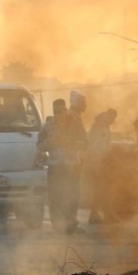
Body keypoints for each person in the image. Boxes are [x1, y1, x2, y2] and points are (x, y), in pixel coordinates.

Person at [41, 92, 88, 234]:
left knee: (73, 195)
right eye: (55, 111)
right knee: (55, 197)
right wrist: (49, 143)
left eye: (60, 111)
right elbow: (39, 145)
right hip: (55, 166)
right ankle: (57, 225)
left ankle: (72, 224)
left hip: (71, 165)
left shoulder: (75, 124)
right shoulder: (48, 126)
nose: (58, 114)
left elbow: (85, 143)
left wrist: (71, 143)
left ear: (65, 110)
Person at [82, 108, 117, 224]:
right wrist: (103, 157)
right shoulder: (101, 127)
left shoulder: (101, 125)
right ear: (110, 116)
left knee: (102, 189)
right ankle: (98, 215)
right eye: (113, 118)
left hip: (98, 161)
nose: (114, 121)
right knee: (101, 189)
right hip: (98, 162)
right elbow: (97, 145)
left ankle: (100, 214)